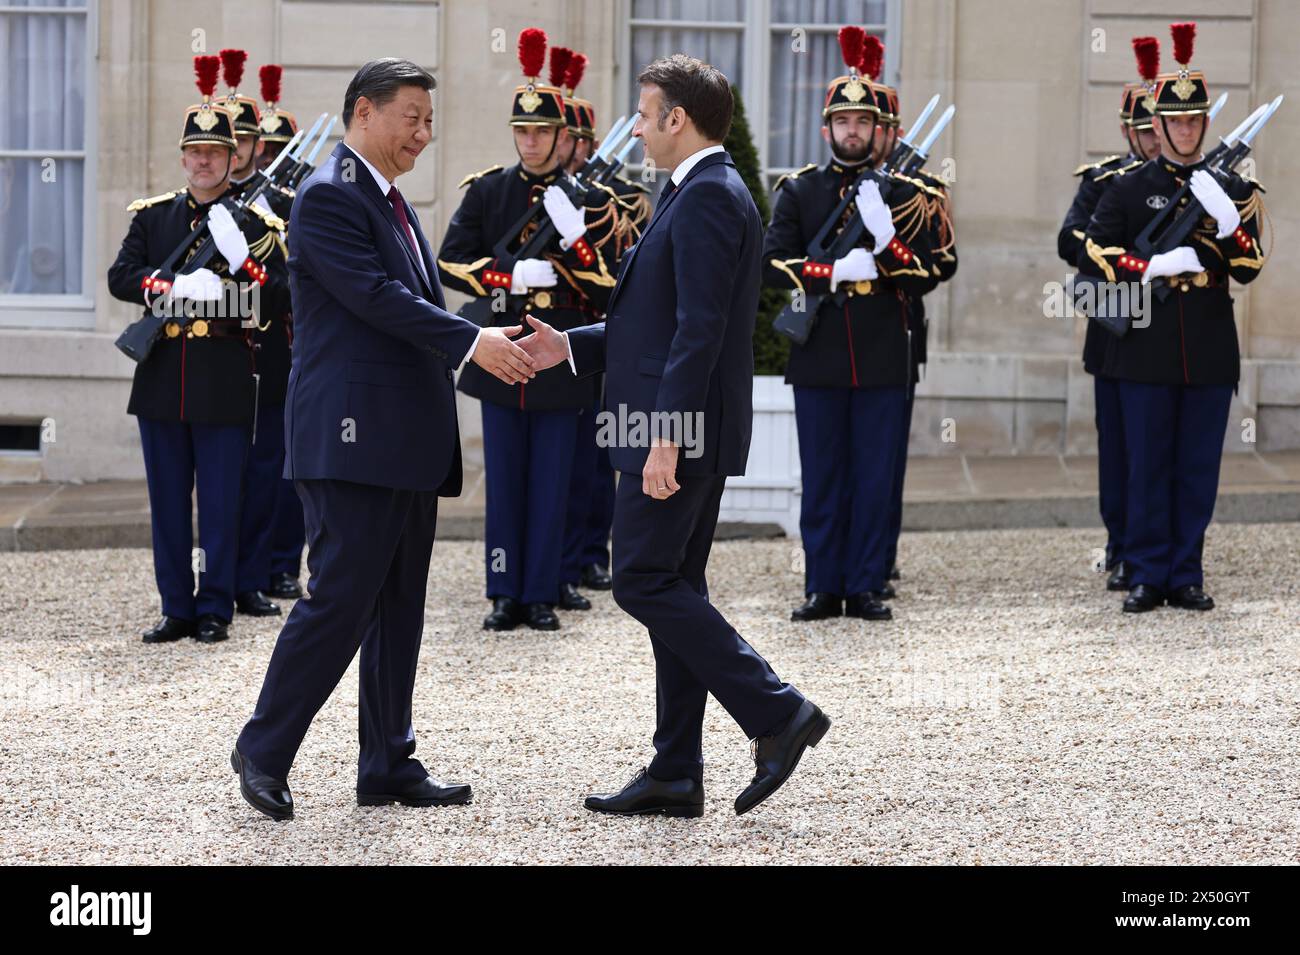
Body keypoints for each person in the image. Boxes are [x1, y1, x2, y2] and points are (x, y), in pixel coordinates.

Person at [519, 54, 829, 818]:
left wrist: (664, 438)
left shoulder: (710, 198)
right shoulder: (689, 191)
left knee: (643, 581)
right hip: (672, 419)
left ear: (676, 120)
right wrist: (571, 344)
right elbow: (651, 320)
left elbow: (699, 332)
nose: (635, 125)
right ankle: (676, 770)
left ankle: (777, 711)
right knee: (674, 587)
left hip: (674, 429)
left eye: (644, 110)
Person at [232, 58, 535, 821]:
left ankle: (387, 759)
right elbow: (374, 297)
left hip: (401, 439)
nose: (425, 135)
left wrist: (473, 335)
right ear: (363, 113)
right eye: (413, 118)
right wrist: (470, 342)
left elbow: (407, 299)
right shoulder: (331, 195)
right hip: (352, 435)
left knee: (399, 603)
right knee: (338, 599)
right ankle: (263, 750)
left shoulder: (388, 197)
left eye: (430, 121)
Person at [1079, 22, 1267, 613]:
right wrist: (1152, 264)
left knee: (1196, 467)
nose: (1185, 130)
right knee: (1147, 464)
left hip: (1209, 344)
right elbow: (1093, 248)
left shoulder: (1232, 187)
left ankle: (1186, 573)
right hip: (1145, 346)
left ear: (1204, 124)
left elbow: (1252, 265)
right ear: (1156, 126)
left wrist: (1231, 223)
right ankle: (1146, 572)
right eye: (1175, 121)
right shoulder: (1130, 188)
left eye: (1194, 121)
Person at [437, 29, 618, 632]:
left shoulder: (590, 201)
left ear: (563, 136)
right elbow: (449, 260)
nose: (531, 140)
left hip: (558, 353)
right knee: (506, 479)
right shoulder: (489, 191)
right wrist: (509, 271)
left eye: (542, 131)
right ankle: (502, 589)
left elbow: (613, 285)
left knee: (553, 481)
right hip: (500, 347)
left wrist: (577, 241)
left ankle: (540, 591)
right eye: (523, 130)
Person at [107, 56, 289, 646]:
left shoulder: (255, 222)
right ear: (183, 157)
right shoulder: (156, 217)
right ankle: (175, 608)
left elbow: (280, 294)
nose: (206, 160)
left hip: (222, 376)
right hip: (163, 375)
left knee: (218, 504)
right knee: (166, 505)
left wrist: (242, 263)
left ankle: (214, 606)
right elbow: (121, 276)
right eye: (195, 152)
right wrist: (168, 286)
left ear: (234, 157)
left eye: (216, 151)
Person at [761, 29, 940, 624]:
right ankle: (821, 586)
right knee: (824, 476)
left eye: (863, 121)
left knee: (872, 475)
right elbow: (770, 261)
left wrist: (886, 242)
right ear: (826, 128)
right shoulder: (802, 190)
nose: (854, 131)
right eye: (844, 121)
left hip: (884, 347)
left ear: (878, 128)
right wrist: (832, 269)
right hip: (821, 348)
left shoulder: (906, 193)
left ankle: (863, 585)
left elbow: (933, 269)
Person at [1058, 36, 1161, 593]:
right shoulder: (1103, 182)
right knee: (1119, 446)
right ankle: (1122, 543)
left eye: (1158, 129)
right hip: (1117, 327)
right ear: (1127, 132)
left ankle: (1160, 551)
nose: (1152, 139)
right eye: (1143, 131)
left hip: (1168, 329)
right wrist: (1117, 249)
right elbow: (1068, 239)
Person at [216, 48, 296, 620]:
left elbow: (294, 287)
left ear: (256, 145)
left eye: (244, 140)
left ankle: (258, 574)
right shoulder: (204, 202)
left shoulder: (282, 207)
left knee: (266, 465)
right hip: (213, 351)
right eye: (230, 141)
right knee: (223, 472)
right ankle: (219, 578)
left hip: (266, 348)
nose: (238, 149)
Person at [254, 62, 308, 601]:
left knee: (287, 467)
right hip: (242, 351)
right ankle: (247, 571)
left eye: (277, 151)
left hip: (288, 348)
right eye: (261, 151)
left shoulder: (300, 204)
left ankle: (282, 564)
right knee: (247, 470)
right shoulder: (244, 204)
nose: (269, 160)